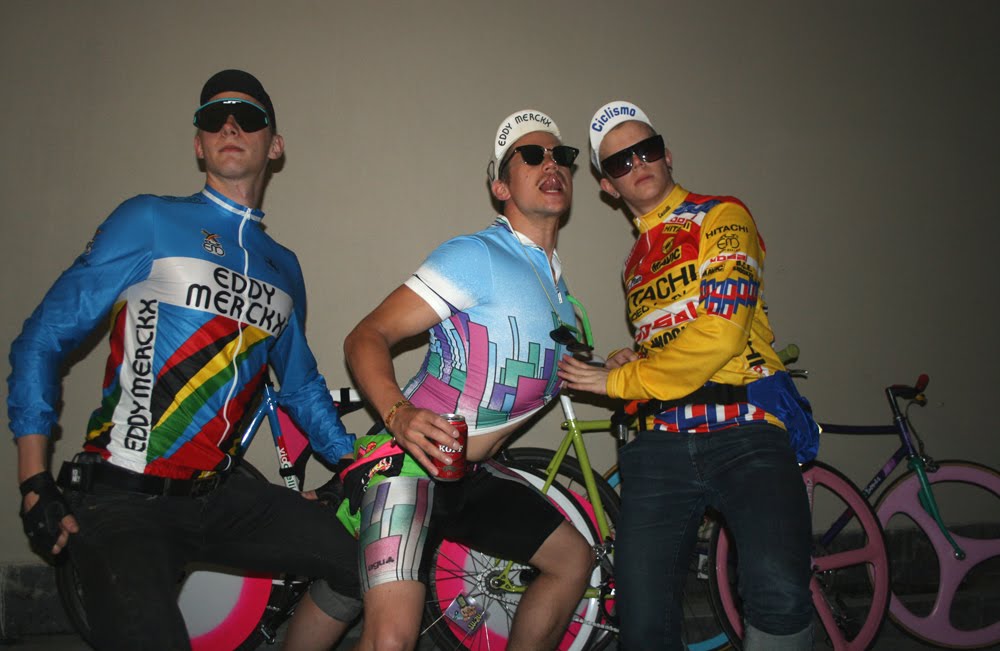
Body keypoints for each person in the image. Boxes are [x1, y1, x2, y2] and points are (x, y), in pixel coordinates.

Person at [8, 69, 361, 651]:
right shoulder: (149, 220)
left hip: (219, 495)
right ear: (198, 143)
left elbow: (299, 384)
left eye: (248, 118)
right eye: (213, 118)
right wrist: (34, 480)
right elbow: (41, 339)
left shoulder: (284, 266)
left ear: (274, 146)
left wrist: (349, 463)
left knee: (367, 565)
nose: (230, 126)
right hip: (124, 497)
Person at [558, 101, 818, 651]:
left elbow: (721, 333)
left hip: (746, 427)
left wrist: (616, 382)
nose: (638, 163)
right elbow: (671, 338)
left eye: (646, 150)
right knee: (641, 621)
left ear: (668, 155)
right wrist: (632, 358)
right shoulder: (633, 262)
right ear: (608, 187)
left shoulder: (722, 215)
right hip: (660, 443)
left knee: (777, 593)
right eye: (621, 162)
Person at [338, 109, 594, 651]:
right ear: (501, 186)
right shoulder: (478, 255)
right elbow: (366, 336)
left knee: (573, 560)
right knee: (384, 634)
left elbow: (551, 374)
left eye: (562, 156)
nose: (552, 164)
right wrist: (398, 414)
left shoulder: (561, 297)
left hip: (467, 474)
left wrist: (616, 369)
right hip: (406, 463)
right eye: (532, 155)